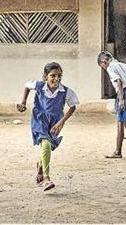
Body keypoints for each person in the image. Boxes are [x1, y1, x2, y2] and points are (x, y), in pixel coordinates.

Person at [16, 62, 79, 191]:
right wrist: (23, 102)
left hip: (55, 122)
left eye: (59, 75)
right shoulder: (39, 86)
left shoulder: (65, 91)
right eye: (53, 75)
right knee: (45, 144)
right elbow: (27, 86)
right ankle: (46, 178)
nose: (56, 79)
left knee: (48, 146)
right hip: (39, 119)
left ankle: (40, 165)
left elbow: (72, 107)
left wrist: (61, 122)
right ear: (45, 76)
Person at [97, 51, 126, 158]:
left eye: (102, 66)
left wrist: (121, 99)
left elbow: (119, 82)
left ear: (104, 62)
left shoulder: (111, 68)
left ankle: (118, 151)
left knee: (120, 122)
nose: (103, 68)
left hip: (125, 92)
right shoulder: (123, 65)